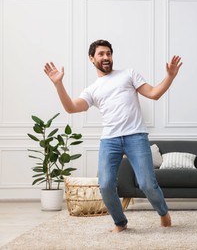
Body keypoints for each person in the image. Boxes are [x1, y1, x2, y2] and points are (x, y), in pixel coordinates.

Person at [43, 39, 182, 233]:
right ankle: (120, 222)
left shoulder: (128, 74)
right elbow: (71, 108)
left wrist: (170, 77)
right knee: (106, 185)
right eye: (101, 54)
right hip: (110, 140)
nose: (106, 57)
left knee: (147, 184)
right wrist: (58, 84)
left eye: (108, 53)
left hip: (136, 136)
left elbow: (153, 94)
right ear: (92, 59)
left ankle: (163, 212)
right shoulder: (92, 89)